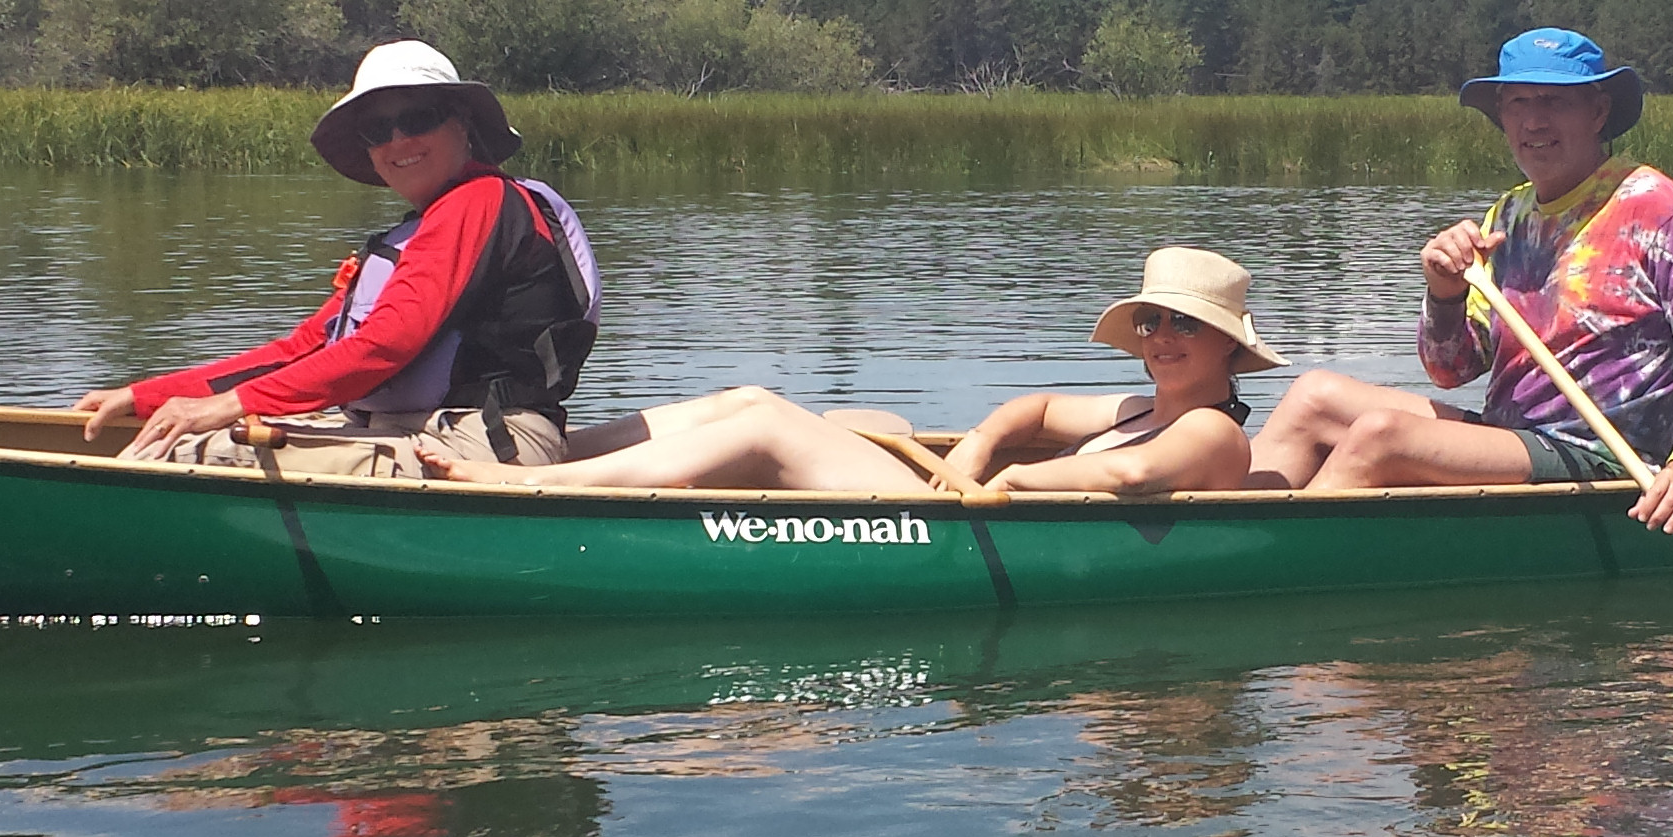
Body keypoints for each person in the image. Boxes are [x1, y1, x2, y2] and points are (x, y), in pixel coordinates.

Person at [1246, 27, 1673, 536]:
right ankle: (1220, 531)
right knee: (1313, 396)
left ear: (1598, 112)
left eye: (1554, 101)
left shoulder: (1661, 210)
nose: (1534, 120)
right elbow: (1452, 370)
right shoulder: (1509, 215)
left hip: (1603, 455)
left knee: (1383, 436)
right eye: (1517, 102)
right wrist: (1445, 294)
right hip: (1510, 438)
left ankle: (1266, 559)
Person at [77, 40, 600, 474]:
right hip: (421, 431)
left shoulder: (477, 202)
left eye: (418, 117)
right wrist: (146, 395)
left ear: (461, 124)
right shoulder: (424, 228)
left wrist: (229, 406)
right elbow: (305, 349)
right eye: (378, 130)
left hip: (483, 446)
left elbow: (385, 345)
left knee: (186, 451)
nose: (399, 140)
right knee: (183, 431)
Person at [418, 247, 1280, 497]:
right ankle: (554, 462)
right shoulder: (1138, 399)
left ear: (1228, 350)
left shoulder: (1208, 430)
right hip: (955, 496)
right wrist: (977, 451)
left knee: (762, 428)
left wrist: (1007, 491)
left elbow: (1126, 476)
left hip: (959, 522)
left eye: (1185, 327)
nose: (1162, 337)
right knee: (751, 397)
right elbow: (1036, 405)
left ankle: (529, 492)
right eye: (1152, 321)